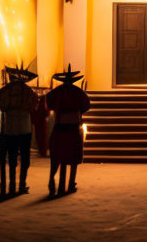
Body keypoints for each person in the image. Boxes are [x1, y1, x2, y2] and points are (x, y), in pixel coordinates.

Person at [46, 64, 90, 197]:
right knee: (73, 157)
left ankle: (57, 183)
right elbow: (86, 106)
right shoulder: (78, 92)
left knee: (59, 156)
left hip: (60, 127)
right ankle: (71, 184)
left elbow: (49, 103)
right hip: (74, 127)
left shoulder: (56, 92)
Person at [0, 64, 39, 198]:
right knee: (25, 159)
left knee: (10, 159)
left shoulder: (4, 91)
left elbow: (0, 104)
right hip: (24, 129)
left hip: (9, 129)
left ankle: (9, 185)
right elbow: (34, 106)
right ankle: (21, 185)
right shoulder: (28, 92)